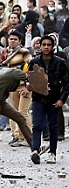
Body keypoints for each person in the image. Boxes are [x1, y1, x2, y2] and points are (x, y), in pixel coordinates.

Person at [28, 36, 69, 164]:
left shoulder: (60, 62)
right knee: (37, 125)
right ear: (40, 46)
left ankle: (52, 152)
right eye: (43, 44)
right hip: (38, 98)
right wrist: (28, 86)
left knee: (53, 127)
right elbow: (28, 78)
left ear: (53, 47)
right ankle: (35, 150)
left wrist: (62, 99)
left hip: (54, 99)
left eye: (48, 45)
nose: (46, 47)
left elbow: (67, 83)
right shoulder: (34, 62)